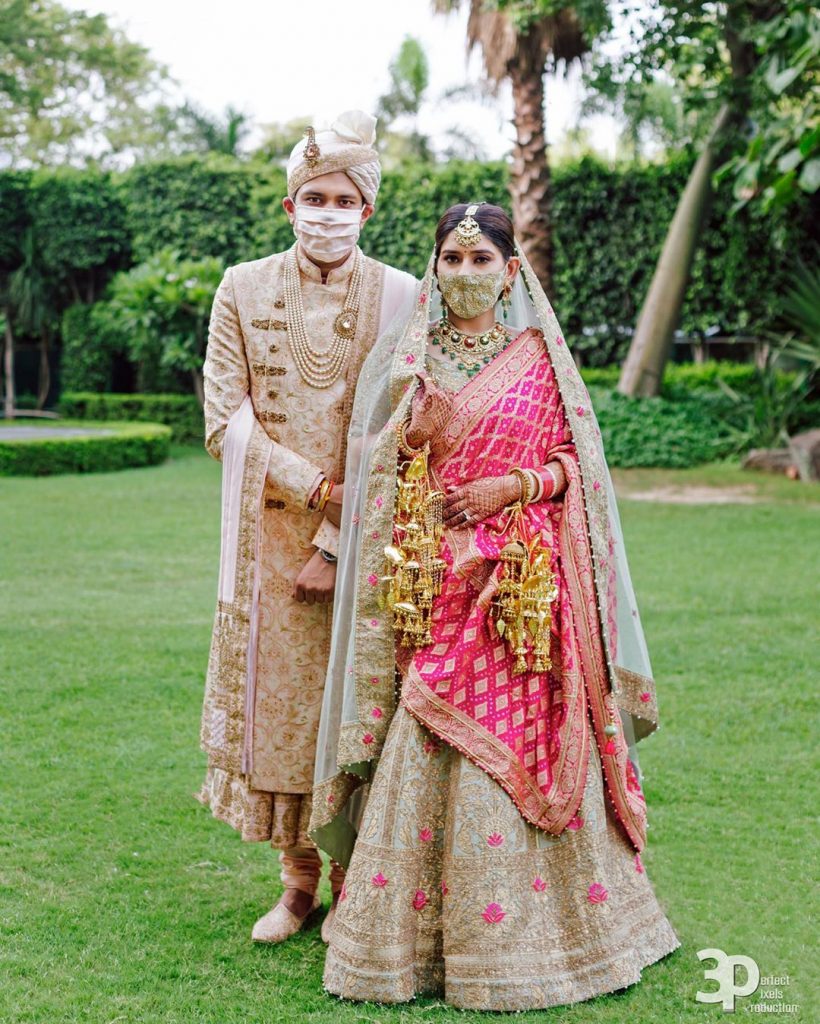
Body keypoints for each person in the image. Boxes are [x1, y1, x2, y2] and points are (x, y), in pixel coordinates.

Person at [309, 202, 681, 1010]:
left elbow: (571, 468)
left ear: (513, 272)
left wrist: (511, 488)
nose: (468, 274)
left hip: (525, 585)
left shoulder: (541, 361)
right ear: (434, 272)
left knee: (532, 735)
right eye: (453, 260)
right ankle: (410, 946)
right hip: (437, 585)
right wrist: (412, 441)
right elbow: (378, 475)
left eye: (484, 261)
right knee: (426, 723)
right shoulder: (410, 364)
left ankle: (558, 939)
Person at [195, 109, 417, 946]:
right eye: (313, 198)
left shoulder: (403, 294)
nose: (328, 212)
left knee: (361, 707)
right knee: (285, 712)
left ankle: (357, 880)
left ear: (367, 210)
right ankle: (297, 885)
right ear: (289, 206)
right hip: (272, 540)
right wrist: (315, 489)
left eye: (343, 199)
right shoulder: (240, 287)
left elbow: (404, 424)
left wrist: (340, 534)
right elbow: (227, 419)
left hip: (370, 541)